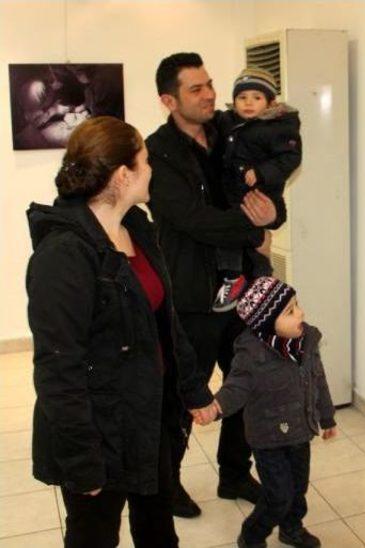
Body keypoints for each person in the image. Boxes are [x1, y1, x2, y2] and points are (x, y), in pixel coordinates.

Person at [26, 116, 217, 548]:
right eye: (146, 161)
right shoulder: (64, 255)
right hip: (99, 430)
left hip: (149, 417)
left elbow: (165, 320)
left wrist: (193, 390)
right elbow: (59, 370)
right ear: (123, 175)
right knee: (94, 537)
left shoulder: (138, 229)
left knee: (157, 532)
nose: (153, 169)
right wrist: (81, 462)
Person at [146, 52, 286, 517]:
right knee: (185, 394)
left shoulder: (233, 130)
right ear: (169, 99)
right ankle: (168, 486)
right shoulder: (157, 152)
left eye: (210, 84)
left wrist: (273, 215)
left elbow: (269, 188)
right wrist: (255, 231)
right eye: (196, 89)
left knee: (247, 384)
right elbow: (193, 221)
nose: (209, 95)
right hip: (192, 294)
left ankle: (232, 473)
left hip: (246, 288)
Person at [211, 276, 337, 548]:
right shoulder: (251, 354)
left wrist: (326, 417)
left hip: (301, 431)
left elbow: (318, 380)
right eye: (290, 311)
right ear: (266, 323)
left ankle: (291, 529)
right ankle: (252, 535)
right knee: (278, 494)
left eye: (297, 305)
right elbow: (236, 387)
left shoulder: (307, 342)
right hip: (268, 437)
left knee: (298, 489)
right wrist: (216, 406)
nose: (300, 313)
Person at [213, 67, 301, 312]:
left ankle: (257, 282)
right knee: (237, 236)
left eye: (256, 98)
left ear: (270, 102)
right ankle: (237, 278)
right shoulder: (229, 121)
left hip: (262, 192)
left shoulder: (278, 127)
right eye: (242, 98)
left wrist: (262, 172)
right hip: (236, 193)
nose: (248, 103)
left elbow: (290, 158)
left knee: (249, 238)